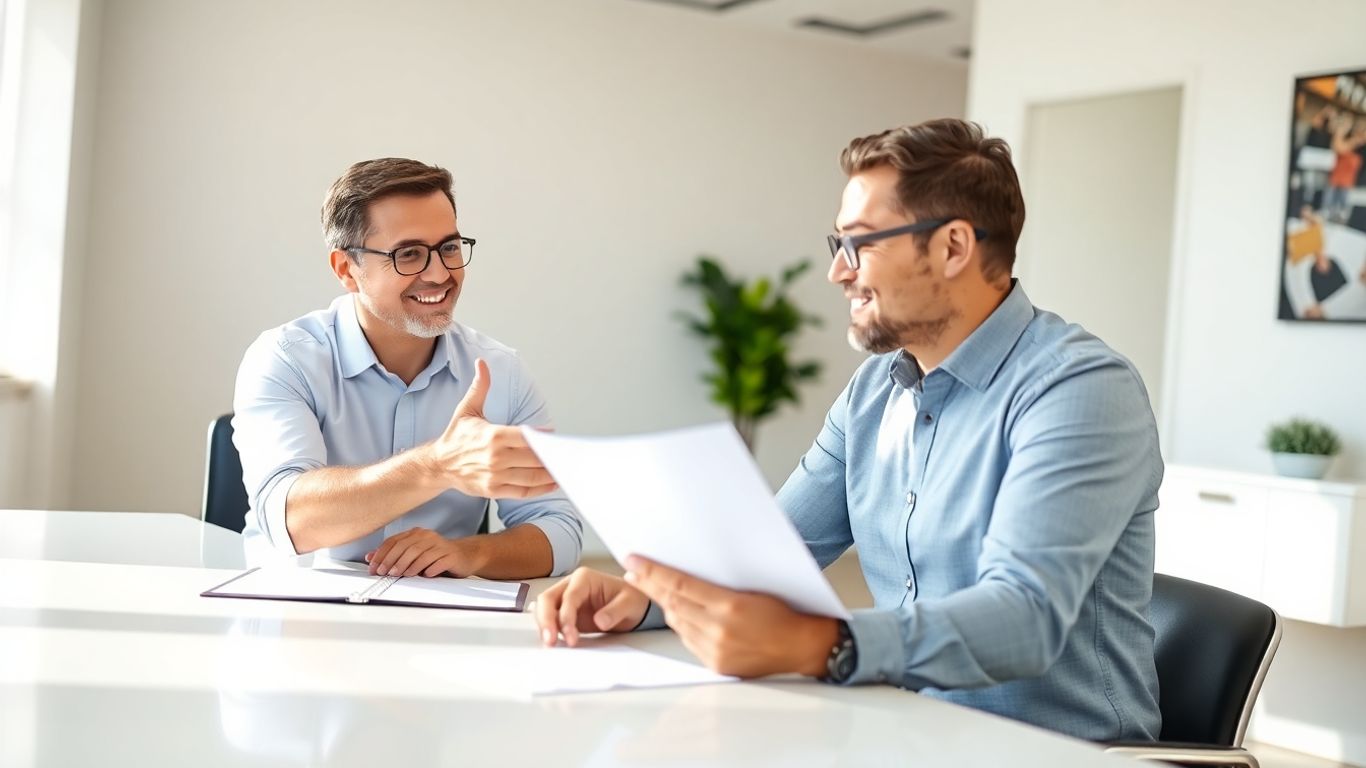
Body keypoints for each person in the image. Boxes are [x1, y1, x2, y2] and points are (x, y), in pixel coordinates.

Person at [536, 119, 1163, 741]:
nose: (839, 272)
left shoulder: (1079, 389)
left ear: (952, 248)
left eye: (860, 243)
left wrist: (820, 644)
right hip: (909, 733)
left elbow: (1025, 617)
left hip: (1056, 752)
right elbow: (769, 552)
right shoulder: (873, 393)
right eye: (837, 244)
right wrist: (644, 597)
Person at [233, 158, 581, 580]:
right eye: (409, 254)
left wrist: (469, 554)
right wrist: (439, 464)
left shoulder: (499, 372)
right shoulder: (286, 359)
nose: (439, 274)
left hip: (440, 620)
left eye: (449, 248)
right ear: (347, 269)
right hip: (298, 618)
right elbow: (292, 519)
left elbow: (559, 530)